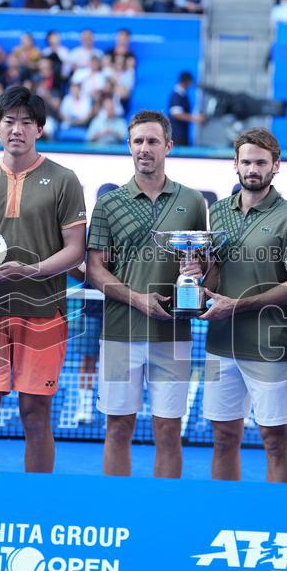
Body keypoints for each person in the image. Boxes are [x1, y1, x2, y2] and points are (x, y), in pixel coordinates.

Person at [0, 86, 86, 475]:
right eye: (9, 122)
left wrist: (32, 271)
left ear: (40, 129)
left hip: (44, 312)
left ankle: (37, 501)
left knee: (35, 413)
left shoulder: (64, 179)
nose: (17, 129)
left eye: (27, 122)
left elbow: (75, 250)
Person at [85, 110, 206, 478]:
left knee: (168, 431)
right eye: (138, 141)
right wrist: (137, 299)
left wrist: (198, 270)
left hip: (173, 335)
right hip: (119, 334)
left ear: (168, 146)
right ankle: (117, 506)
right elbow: (94, 269)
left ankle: (165, 507)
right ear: (128, 146)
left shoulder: (193, 201)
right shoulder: (109, 203)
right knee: (118, 428)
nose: (145, 148)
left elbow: (204, 262)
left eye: (153, 141)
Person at [197, 128, 287, 483]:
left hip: (269, 347)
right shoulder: (217, 211)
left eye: (261, 162)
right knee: (223, 439)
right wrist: (197, 275)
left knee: (275, 441)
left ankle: (279, 511)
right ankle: (223, 509)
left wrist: (237, 305)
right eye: (246, 162)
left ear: (276, 166)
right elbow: (215, 275)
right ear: (235, 164)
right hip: (220, 344)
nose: (253, 169)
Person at [168, 71, 205, 147]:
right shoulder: (176, 95)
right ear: (187, 82)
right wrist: (195, 119)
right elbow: (176, 114)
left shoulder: (183, 94)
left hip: (182, 133)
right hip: (176, 135)